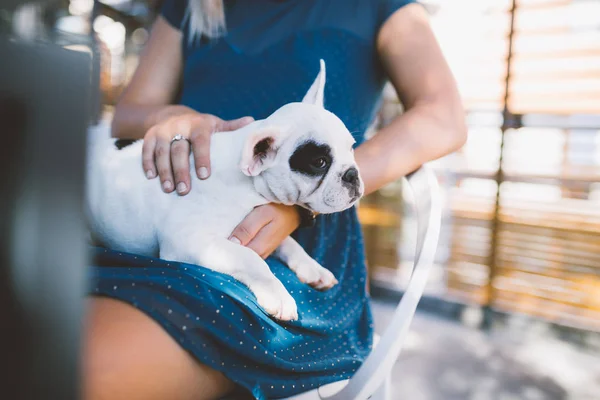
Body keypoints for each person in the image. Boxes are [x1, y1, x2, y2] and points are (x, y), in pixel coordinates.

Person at [83, 1, 466, 399]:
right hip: (169, 215)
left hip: (297, 246)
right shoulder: (191, 6)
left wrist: (301, 202)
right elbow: (128, 113)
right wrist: (172, 118)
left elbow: (444, 117)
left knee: (90, 367)